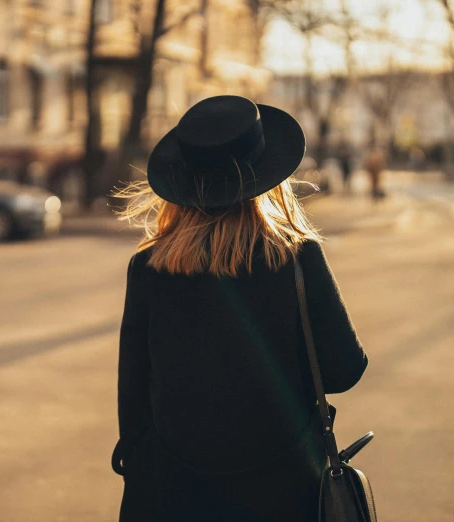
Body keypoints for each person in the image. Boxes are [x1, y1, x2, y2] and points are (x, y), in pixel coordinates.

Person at [111, 95, 369, 522]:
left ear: (183, 181)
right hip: (284, 492)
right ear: (269, 176)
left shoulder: (150, 267)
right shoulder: (297, 257)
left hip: (174, 495)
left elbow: (133, 395)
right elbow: (344, 370)